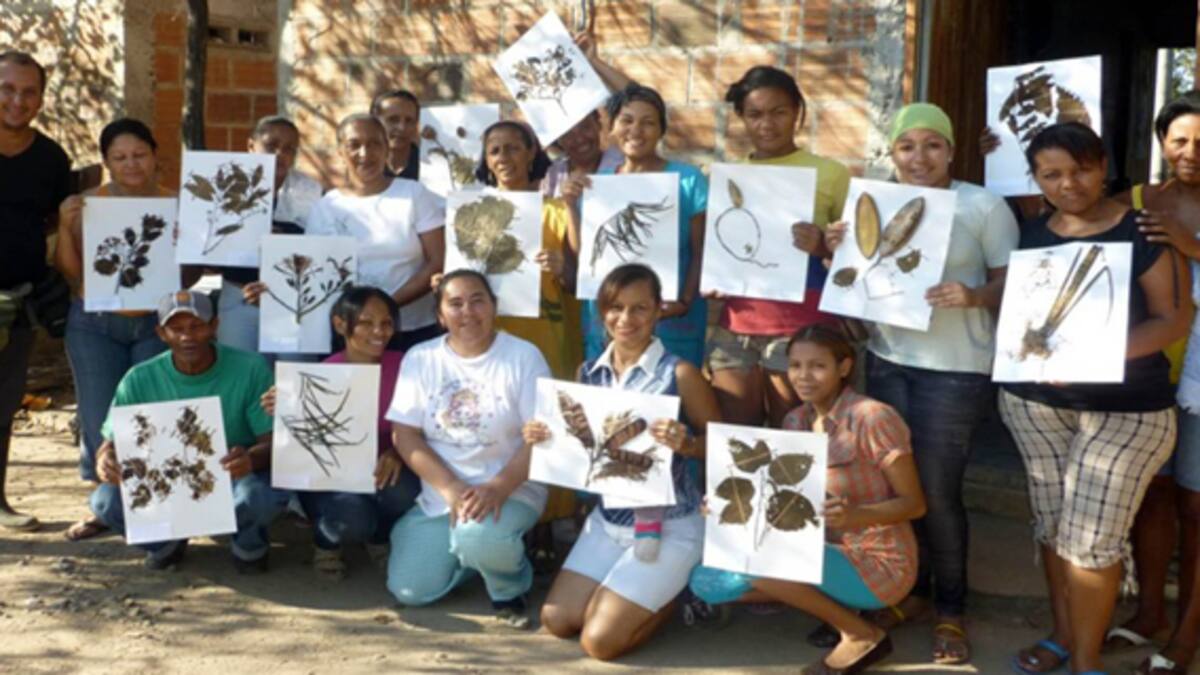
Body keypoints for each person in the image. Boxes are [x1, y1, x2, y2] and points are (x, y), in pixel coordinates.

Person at [824, 102, 1019, 664]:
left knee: (936, 491)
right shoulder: (876, 206)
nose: (919, 157)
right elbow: (860, 287)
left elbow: (1014, 279)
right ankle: (905, 594)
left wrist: (974, 295)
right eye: (907, 146)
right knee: (892, 490)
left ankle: (951, 610)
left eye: (933, 145)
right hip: (888, 360)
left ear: (952, 151)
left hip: (955, 369)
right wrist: (838, 250)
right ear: (892, 153)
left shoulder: (982, 205)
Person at [999, 122, 1192, 675]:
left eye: (1081, 170)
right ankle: (1064, 635)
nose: (1068, 184)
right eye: (1051, 174)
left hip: (1128, 411)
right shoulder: (1034, 232)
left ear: (1103, 166)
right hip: (1035, 404)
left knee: (1091, 539)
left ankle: (1086, 662)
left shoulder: (1142, 230)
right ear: (1036, 178)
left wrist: (1090, 355)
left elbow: (1172, 320)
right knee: (1054, 527)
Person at [689, 325, 924, 675]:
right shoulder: (795, 421)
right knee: (706, 581)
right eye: (796, 366)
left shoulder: (873, 417)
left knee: (759, 559)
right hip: (816, 550)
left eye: (817, 366)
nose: (803, 376)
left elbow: (915, 504)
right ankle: (835, 605)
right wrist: (724, 508)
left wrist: (856, 516)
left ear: (844, 367)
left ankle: (860, 634)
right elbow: (774, 499)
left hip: (876, 561)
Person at [534, 264, 721, 661]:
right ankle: (636, 593)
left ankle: (676, 594)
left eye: (640, 308)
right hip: (608, 522)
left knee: (599, 643)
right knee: (558, 619)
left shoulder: (680, 373)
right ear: (602, 310)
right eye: (616, 307)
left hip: (671, 524)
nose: (626, 319)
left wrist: (688, 444)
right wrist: (543, 435)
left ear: (658, 310)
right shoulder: (588, 373)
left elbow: (723, 446)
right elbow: (578, 445)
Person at [384, 270, 549, 629]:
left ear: (494, 306)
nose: (468, 312)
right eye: (455, 304)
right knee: (410, 590)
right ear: (440, 315)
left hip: (511, 489)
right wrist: (450, 488)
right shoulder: (421, 357)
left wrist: (499, 486)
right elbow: (405, 435)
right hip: (443, 494)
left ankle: (508, 585)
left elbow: (541, 439)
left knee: (477, 534)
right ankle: (477, 557)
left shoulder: (524, 356)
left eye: (477, 301)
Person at [89, 290, 291, 572]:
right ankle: (165, 543)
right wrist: (105, 458)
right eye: (176, 329)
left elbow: (272, 442)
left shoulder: (250, 368)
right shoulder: (138, 378)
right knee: (105, 501)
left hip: (233, 476)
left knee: (256, 496)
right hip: (165, 482)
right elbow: (110, 441)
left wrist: (249, 459)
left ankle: (248, 543)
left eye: (197, 326)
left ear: (214, 326)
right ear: (161, 334)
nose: (187, 337)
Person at [1103, 91, 1200, 674]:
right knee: (1152, 496)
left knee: (1196, 505)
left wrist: (1193, 248)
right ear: (1162, 142)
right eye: (1180, 139)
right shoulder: (1137, 201)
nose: (1191, 152)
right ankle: (1150, 614)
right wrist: (1013, 164)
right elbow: (1074, 214)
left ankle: (1187, 634)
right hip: (1146, 370)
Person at [706, 65, 851, 427]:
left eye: (779, 112)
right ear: (740, 117)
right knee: (736, 439)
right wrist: (714, 276)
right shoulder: (724, 179)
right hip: (735, 327)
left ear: (797, 112)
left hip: (801, 329)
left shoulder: (831, 174)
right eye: (754, 114)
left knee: (794, 439)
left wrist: (822, 248)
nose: (766, 124)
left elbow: (858, 259)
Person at [55, 118, 174, 541]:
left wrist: (184, 244)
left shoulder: (175, 204)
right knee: (98, 414)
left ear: (155, 156)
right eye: (120, 157)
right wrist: (66, 226)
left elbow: (189, 275)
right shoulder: (89, 204)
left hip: (156, 324)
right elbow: (71, 272)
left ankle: (153, 501)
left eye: (139, 154)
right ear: (106, 162)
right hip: (95, 324)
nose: (131, 164)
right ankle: (103, 504)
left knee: (150, 413)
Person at [260, 286, 419, 580]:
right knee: (352, 517)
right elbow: (304, 444)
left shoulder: (406, 366)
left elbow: (423, 423)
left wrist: (398, 451)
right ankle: (326, 541)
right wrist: (283, 407)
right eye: (366, 322)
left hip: (385, 468)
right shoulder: (321, 375)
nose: (379, 332)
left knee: (406, 492)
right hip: (334, 480)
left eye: (386, 323)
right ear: (340, 325)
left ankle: (380, 537)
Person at [568, 84, 709, 368]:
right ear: (611, 127)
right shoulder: (597, 185)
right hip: (609, 321)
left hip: (670, 317)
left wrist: (685, 300)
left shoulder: (688, 179)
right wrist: (571, 205)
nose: (636, 130)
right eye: (627, 120)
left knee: (670, 388)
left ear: (661, 130)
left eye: (648, 123)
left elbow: (701, 250)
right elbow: (583, 255)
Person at [0, 50, 72, 532]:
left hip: (17, 301)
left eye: (29, 92)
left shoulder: (50, 159)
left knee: (3, 406)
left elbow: (54, 221)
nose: (17, 100)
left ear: (42, 100)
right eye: (7, 88)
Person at [306, 113, 445, 351]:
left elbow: (437, 260)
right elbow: (313, 272)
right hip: (350, 336)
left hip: (411, 329)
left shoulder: (413, 194)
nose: (365, 153)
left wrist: (386, 307)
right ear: (340, 151)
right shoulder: (325, 207)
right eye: (354, 145)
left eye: (374, 144)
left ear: (386, 148)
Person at [473, 119, 580, 379]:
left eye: (513, 148)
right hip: (487, 338)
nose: (503, 157)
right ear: (486, 160)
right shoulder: (471, 212)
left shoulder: (558, 211)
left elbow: (579, 282)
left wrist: (561, 268)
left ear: (531, 153)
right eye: (494, 151)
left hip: (546, 337)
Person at [216, 115, 324, 355]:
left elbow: (322, 250)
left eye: (289, 149)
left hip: (293, 303)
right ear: (250, 145)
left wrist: (284, 242)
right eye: (271, 145)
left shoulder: (313, 194)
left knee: (293, 374)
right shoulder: (222, 188)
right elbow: (207, 250)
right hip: (238, 297)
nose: (279, 154)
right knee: (241, 372)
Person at [371, 89, 420, 180]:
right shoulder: (364, 164)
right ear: (374, 122)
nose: (402, 128)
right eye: (393, 120)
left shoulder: (430, 165)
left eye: (409, 120)